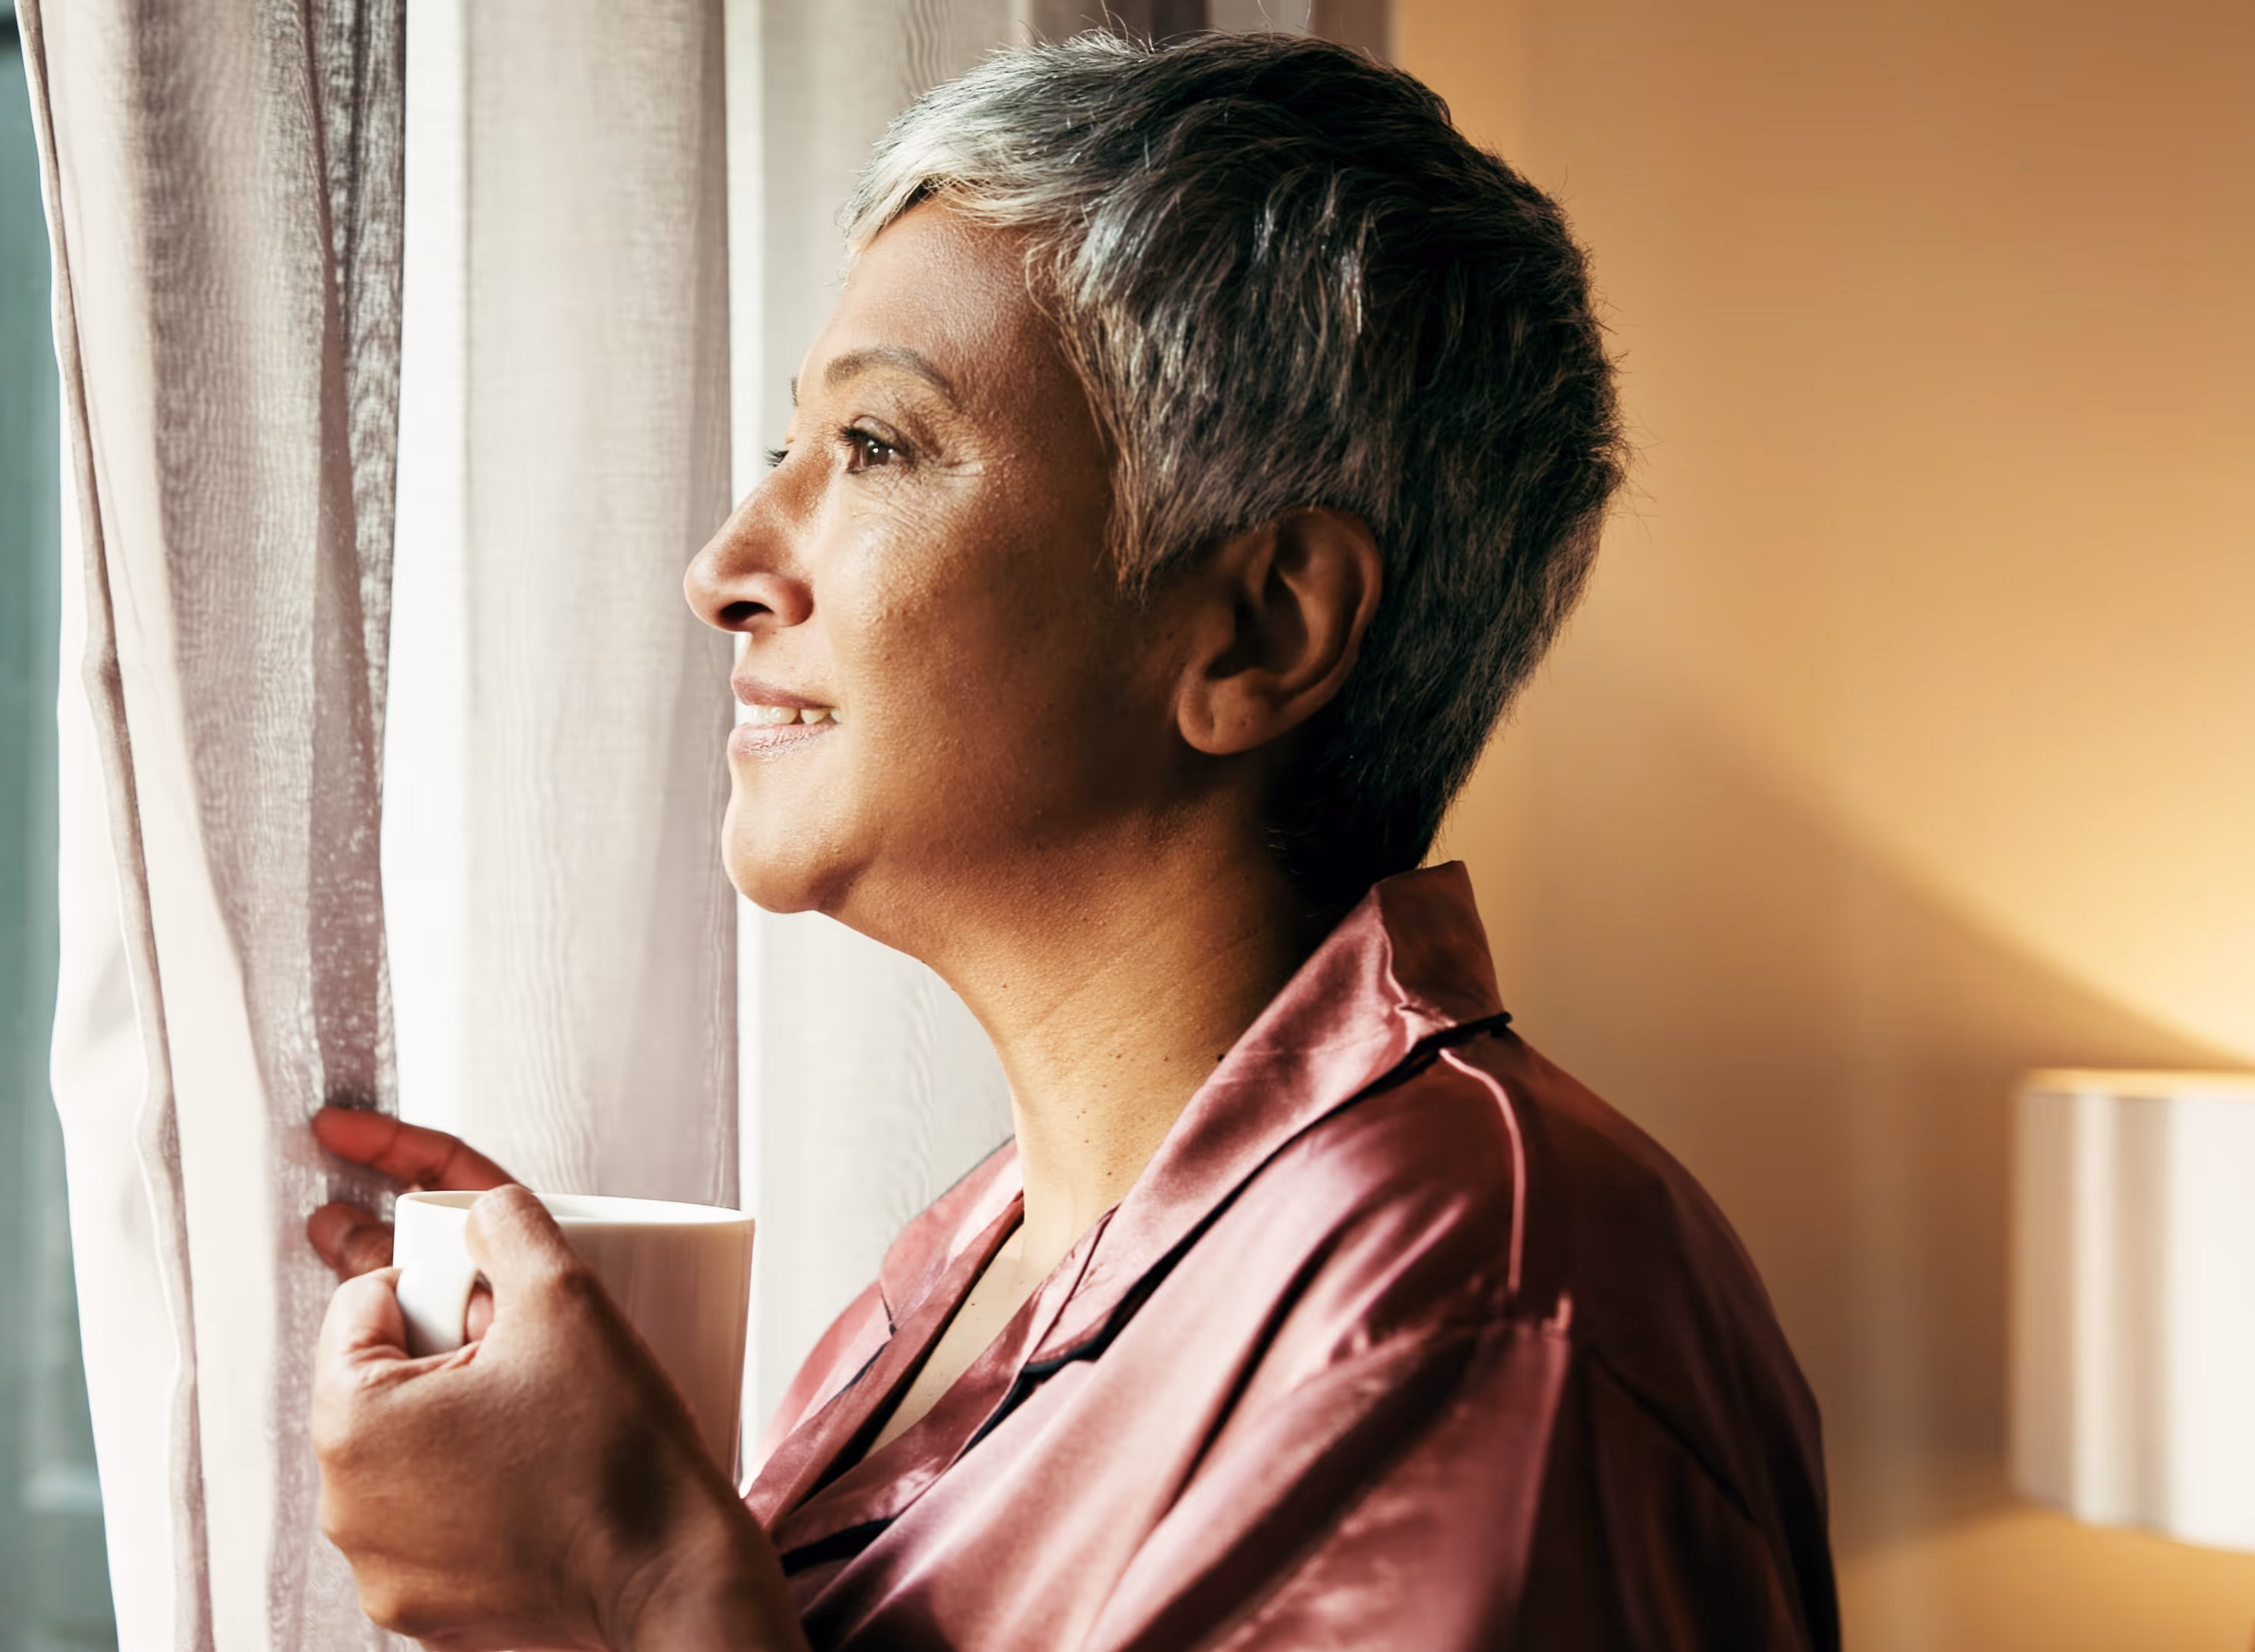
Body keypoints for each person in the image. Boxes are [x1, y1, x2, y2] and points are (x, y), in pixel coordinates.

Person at [300, 29, 1837, 1651]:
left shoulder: (1479, 1318)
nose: (725, 564)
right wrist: (600, 1461)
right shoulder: (980, 1264)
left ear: (1255, 629)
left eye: (875, 447)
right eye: (784, 452)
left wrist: (616, 1598)